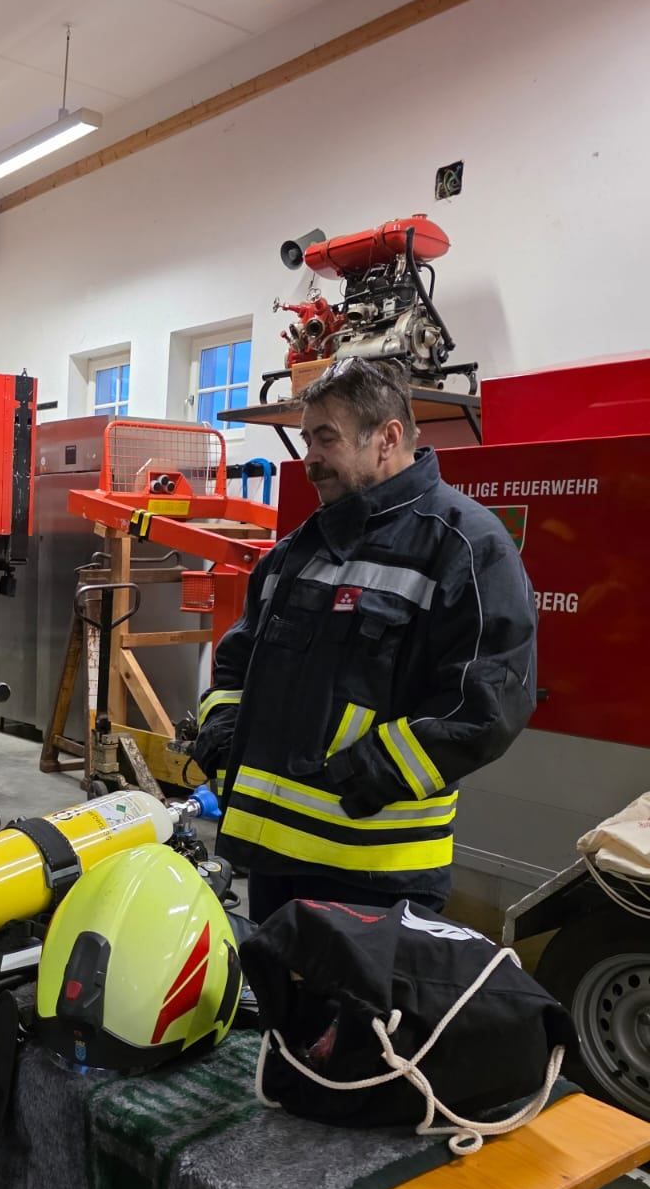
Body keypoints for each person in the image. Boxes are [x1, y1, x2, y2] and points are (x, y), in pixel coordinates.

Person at [192, 357, 536, 922]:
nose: (310, 460)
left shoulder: (466, 546)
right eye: (307, 439)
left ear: (388, 438)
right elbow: (237, 661)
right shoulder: (297, 549)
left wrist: (360, 778)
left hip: (375, 872)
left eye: (326, 438)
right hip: (271, 860)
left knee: (358, 1015)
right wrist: (223, 735)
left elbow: (488, 704)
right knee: (283, 1009)